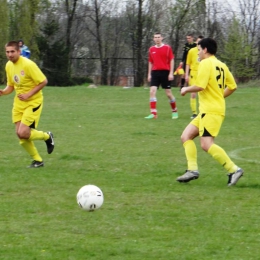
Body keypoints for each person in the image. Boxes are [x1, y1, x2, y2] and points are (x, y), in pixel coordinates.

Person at [176, 38, 243, 186]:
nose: (198, 52)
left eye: (199, 49)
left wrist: (186, 89)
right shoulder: (221, 65)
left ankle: (234, 169)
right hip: (209, 110)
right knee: (186, 136)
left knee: (206, 144)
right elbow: (232, 86)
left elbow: (200, 86)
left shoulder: (205, 63)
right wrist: (219, 97)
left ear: (205, 50)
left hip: (210, 111)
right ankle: (192, 170)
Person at [0, 41, 54, 168]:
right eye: (7, 52)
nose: (10, 54)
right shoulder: (8, 66)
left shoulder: (28, 65)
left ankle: (47, 136)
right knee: (20, 135)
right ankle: (38, 161)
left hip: (33, 102)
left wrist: (29, 94)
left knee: (23, 133)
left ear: (19, 51)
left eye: (12, 51)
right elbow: (11, 86)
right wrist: (3, 92)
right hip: (19, 103)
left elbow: (43, 81)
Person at [145, 32, 178, 119]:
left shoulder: (167, 48)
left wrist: (171, 73)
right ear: (153, 39)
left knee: (168, 94)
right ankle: (153, 113)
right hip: (155, 73)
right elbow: (150, 62)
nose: (157, 39)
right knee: (152, 91)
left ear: (162, 38)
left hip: (165, 72)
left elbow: (171, 60)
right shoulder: (151, 49)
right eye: (155, 37)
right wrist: (149, 74)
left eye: (159, 37)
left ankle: (174, 110)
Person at [185, 35, 204, 119]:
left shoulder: (205, 51)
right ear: (196, 42)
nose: (199, 43)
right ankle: (194, 113)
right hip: (193, 74)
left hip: (203, 73)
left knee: (202, 93)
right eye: (198, 41)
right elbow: (188, 63)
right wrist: (186, 74)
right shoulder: (192, 51)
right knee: (193, 94)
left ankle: (202, 111)